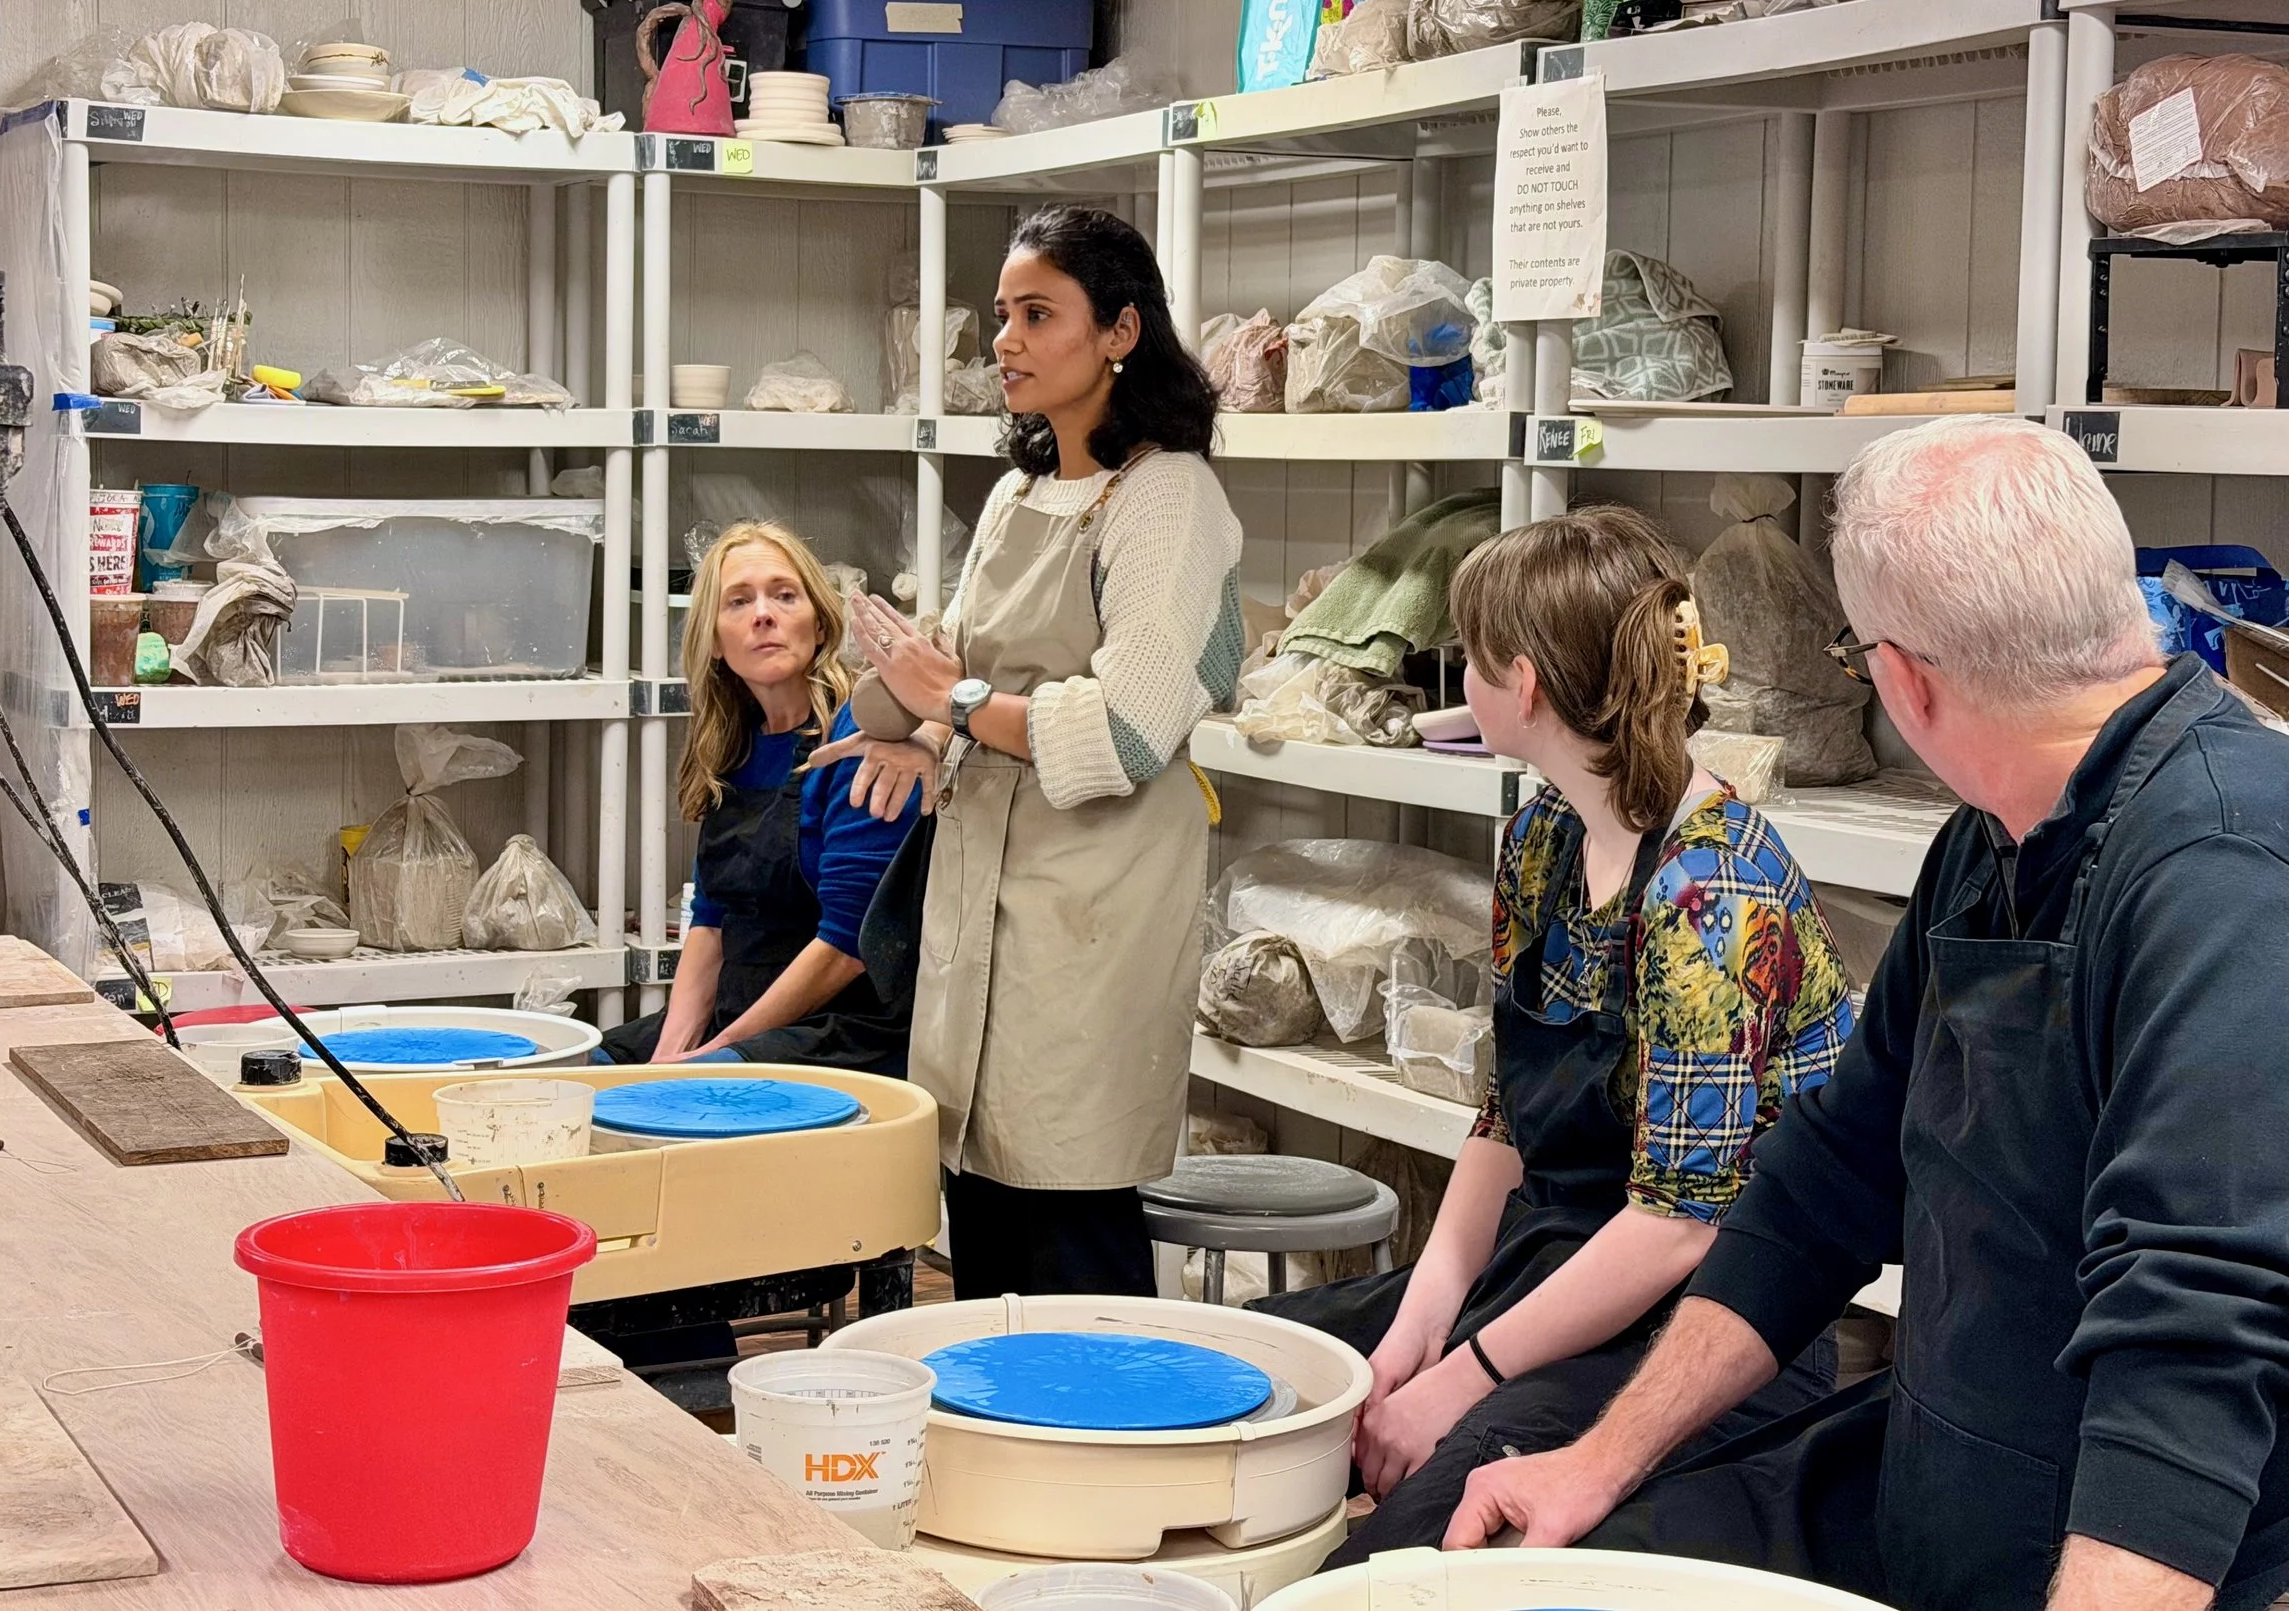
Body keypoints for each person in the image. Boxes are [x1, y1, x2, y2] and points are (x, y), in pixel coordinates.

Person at [1448, 417, 2289, 1611]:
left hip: (2120, 1560)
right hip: (1948, 1475)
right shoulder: (1986, 843)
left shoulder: (2223, 861)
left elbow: (2196, 1332)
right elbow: (1822, 1183)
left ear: (1899, 681)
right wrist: (1597, 1460)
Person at [1252, 507, 1854, 1568]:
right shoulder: (1544, 833)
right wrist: (1421, 1319)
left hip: (1701, 1322)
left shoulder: (1708, 891)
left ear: (1520, 685)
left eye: (1467, 657)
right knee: (1274, 1385)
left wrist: (1461, 1378)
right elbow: (1507, 1107)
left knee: (1410, 1548)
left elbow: (1675, 1228)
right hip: (1556, 1259)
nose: (1460, 679)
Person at [823, 203, 1245, 1302]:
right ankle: (1002, 1455)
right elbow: (944, 673)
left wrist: (949, 704)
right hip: (984, 894)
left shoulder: (1168, 497)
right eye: (1003, 315)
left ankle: (1112, 1462)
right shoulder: (1018, 493)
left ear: (1118, 331)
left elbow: (1123, 730)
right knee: (983, 1204)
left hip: (1092, 906)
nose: (1002, 341)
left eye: (1036, 315)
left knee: (1068, 1208)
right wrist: (910, 708)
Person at [601, 520, 916, 1073]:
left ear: (821, 626)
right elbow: (712, 917)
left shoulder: (858, 739)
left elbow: (846, 947)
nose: (763, 614)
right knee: (588, 1065)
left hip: (844, 1026)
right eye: (739, 601)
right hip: (745, 1010)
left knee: (682, 1092)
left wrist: (714, 1055)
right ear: (716, 642)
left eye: (784, 595)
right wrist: (671, 1051)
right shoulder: (734, 743)